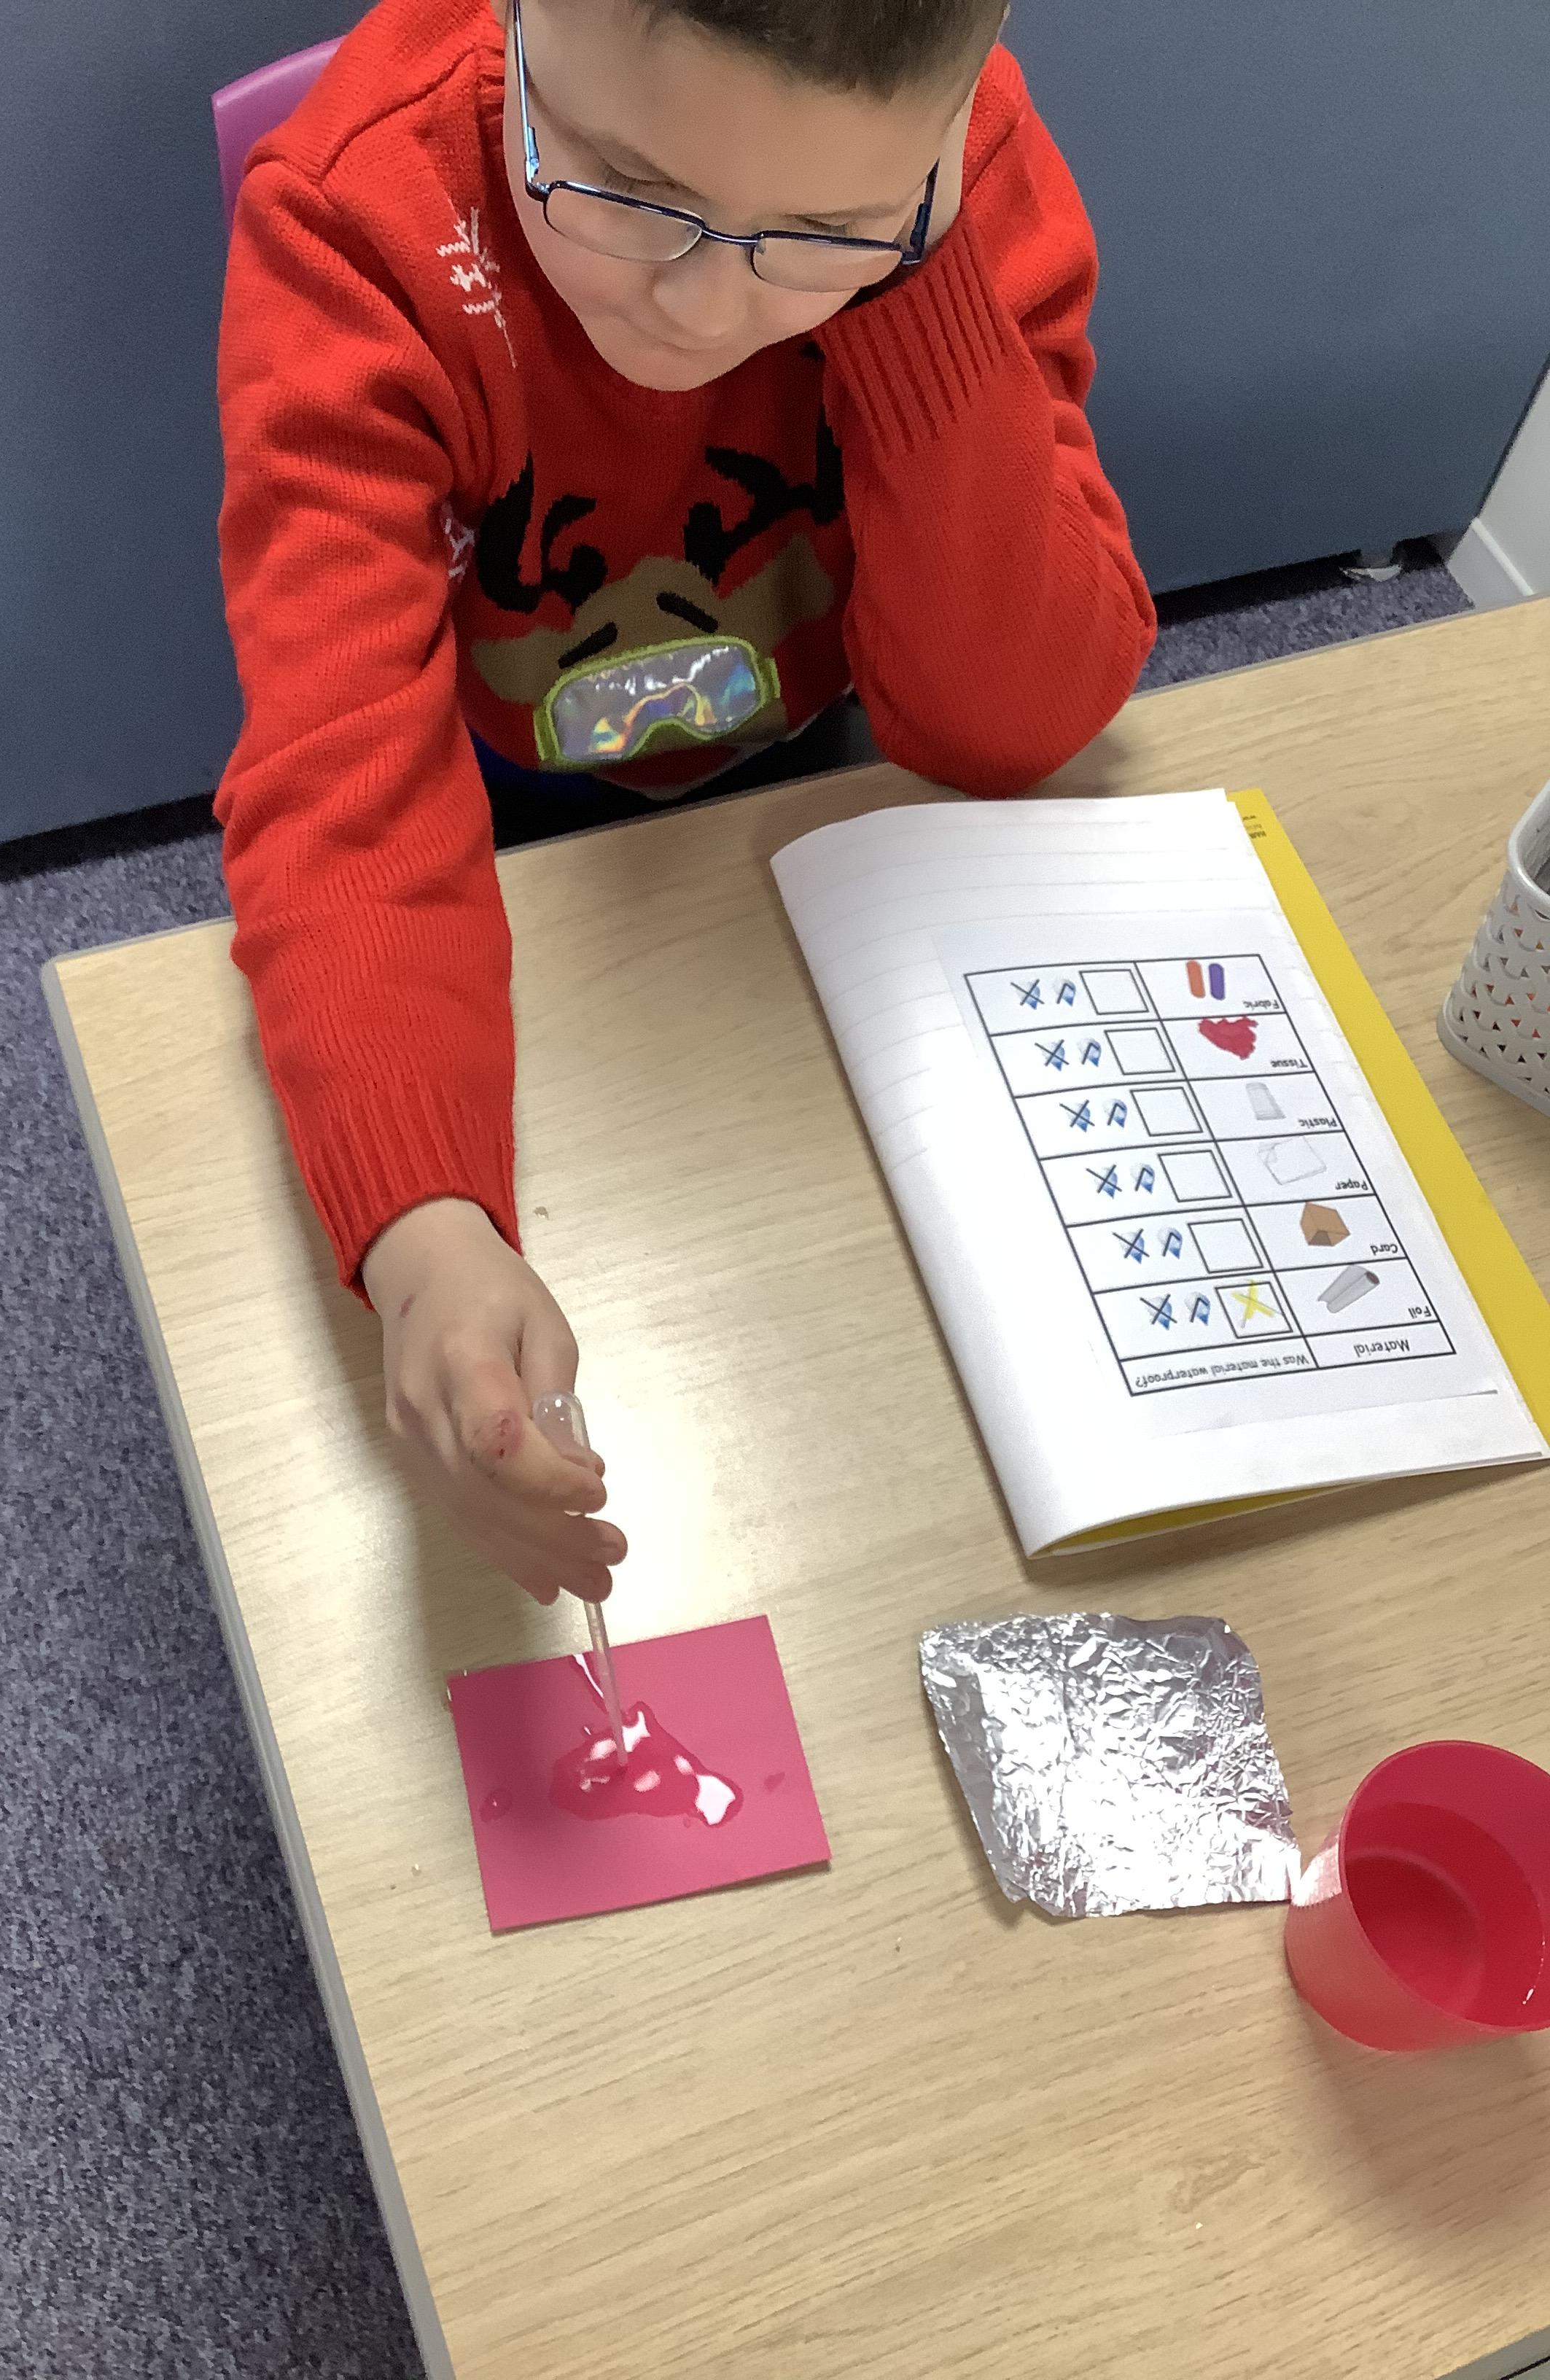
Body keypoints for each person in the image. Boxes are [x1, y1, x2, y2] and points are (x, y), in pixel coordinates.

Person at [216, 0, 1156, 1608]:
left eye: (820, 232)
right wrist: (426, 1231)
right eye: (624, 189)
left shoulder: (963, 180)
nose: (705, 306)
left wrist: (915, 271)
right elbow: (344, 775)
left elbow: (1016, 723)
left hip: (808, 783)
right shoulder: (354, 219)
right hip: (486, 808)